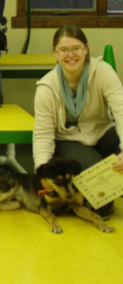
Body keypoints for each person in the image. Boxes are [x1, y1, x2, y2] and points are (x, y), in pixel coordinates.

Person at [33, 25, 123, 219]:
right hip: (69, 142)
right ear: (55, 52)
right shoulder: (46, 87)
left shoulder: (103, 72)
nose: (70, 55)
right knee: (102, 202)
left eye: (76, 48)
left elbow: (121, 110)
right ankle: (102, 196)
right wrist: (42, 171)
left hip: (102, 133)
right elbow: (42, 135)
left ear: (86, 49)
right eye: (64, 50)